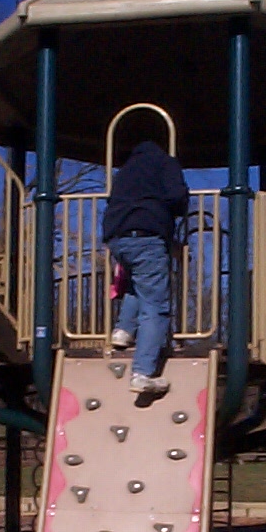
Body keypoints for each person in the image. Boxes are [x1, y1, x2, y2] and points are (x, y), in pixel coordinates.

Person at [102, 139, 190, 395]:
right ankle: (142, 373)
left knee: (138, 284)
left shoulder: (126, 170)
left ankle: (123, 330)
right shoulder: (165, 163)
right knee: (155, 306)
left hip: (117, 237)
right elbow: (176, 196)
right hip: (147, 235)